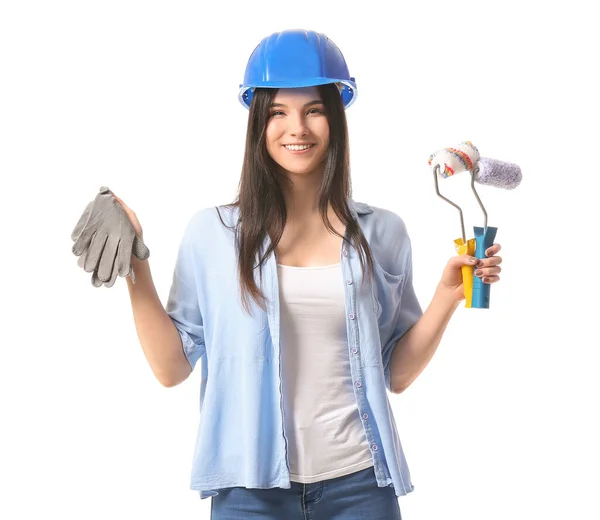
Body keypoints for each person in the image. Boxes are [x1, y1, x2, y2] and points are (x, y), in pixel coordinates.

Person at [112, 29, 503, 520]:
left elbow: (397, 375)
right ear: (258, 122)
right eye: (278, 112)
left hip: (361, 488)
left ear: (336, 118)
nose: (297, 127)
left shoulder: (383, 233)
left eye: (314, 109)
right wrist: (135, 266)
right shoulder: (210, 234)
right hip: (248, 495)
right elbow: (171, 369)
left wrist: (449, 295)